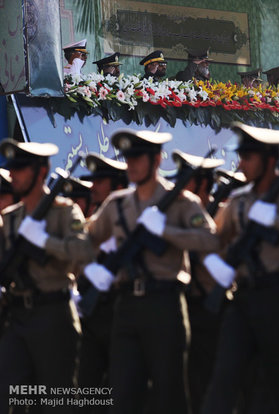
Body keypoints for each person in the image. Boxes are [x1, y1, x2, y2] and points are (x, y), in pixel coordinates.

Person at [86, 129, 219, 413]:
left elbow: (209, 240)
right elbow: (85, 241)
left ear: (156, 160)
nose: (131, 164)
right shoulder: (117, 204)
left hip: (164, 304)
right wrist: (89, 269)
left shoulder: (182, 202)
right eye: (128, 157)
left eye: (138, 157)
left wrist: (166, 230)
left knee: (169, 394)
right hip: (126, 307)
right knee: (122, 395)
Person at [201, 123, 279, 414]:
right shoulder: (240, 201)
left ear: (270, 160)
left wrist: (278, 221)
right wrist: (215, 265)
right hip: (242, 298)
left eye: (248, 157)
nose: (241, 164)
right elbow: (212, 239)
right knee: (225, 377)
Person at [0, 139, 93, 413]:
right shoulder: (11, 217)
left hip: (53, 314)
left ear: (41, 172)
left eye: (21, 168)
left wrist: (44, 241)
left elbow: (84, 250)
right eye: (12, 168)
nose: (13, 174)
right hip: (17, 316)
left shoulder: (65, 212)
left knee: (55, 401)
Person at [170, 149, 224, 414]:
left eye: (187, 181)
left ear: (203, 184)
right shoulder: (181, 215)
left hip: (210, 311)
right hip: (185, 307)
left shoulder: (219, 216)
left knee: (207, 381)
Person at [76, 153, 128, 413]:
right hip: (91, 319)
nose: (92, 187)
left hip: (123, 316)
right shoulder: (89, 226)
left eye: (100, 181)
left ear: (118, 187)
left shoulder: (134, 225)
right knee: (87, 394)